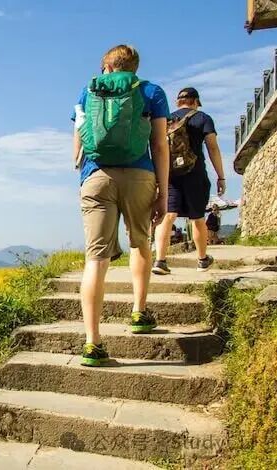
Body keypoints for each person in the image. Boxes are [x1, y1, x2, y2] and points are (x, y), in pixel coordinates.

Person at [72, 45, 169, 367]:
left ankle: (92, 343)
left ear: (107, 66)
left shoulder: (89, 92)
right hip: (140, 175)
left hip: (96, 177)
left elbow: (79, 143)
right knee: (140, 241)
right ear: (134, 67)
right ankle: (139, 313)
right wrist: (163, 191)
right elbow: (159, 144)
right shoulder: (151, 92)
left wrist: (82, 171)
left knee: (95, 259)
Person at [152, 88, 226, 274]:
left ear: (178, 102)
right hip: (195, 173)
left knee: (168, 216)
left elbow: (157, 145)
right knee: (197, 217)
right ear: (195, 101)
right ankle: (202, 259)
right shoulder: (203, 119)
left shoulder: (167, 119)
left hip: (170, 174)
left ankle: (160, 261)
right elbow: (213, 148)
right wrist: (221, 176)